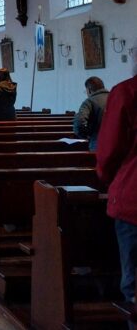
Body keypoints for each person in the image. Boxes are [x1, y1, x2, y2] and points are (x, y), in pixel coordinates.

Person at [96, 38, 137, 305]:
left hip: (133, 198)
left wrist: (108, 179)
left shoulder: (127, 93)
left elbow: (109, 151)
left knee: (134, 286)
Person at [74, 76, 109, 150]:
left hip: (97, 143)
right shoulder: (114, 97)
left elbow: (79, 122)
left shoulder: (89, 102)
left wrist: (86, 135)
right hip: (118, 143)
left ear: (89, 90)